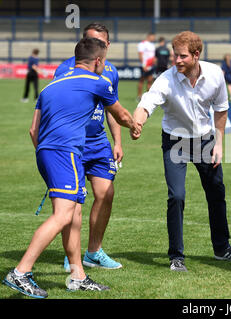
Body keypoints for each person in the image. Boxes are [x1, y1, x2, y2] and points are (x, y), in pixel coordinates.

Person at [2, 37, 141, 298]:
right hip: (66, 152)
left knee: (72, 213)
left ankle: (77, 275)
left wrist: (50, 158)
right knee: (64, 215)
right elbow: (121, 115)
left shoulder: (50, 86)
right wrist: (134, 125)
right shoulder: (98, 81)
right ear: (98, 61)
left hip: (46, 151)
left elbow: (33, 129)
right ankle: (20, 272)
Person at [133, 31, 231, 272]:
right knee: (177, 196)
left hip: (206, 141)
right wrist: (138, 122)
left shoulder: (215, 74)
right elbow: (147, 103)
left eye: (182, 56)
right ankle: (176, 257)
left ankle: (222, 248)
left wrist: (218, 145)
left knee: (217, 192)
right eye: (176, 55)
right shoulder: (166, 79)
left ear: (196, 55)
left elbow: (221, 110)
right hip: (175, 142)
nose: (177, 60)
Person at [54, 23, 124, 271]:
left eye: (101, 43)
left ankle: (93, 252)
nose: (96, 46)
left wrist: (117, 141)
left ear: (107, 46)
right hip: (73, 143)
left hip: (99, 143)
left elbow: (111, 109)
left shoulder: (111, 72)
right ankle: (71, 254)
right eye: (91, 40)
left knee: (106, 193)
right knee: (73, 202)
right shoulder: (65, 68)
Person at [137, 33, 156, 101]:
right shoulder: (142, 44)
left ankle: (148, 96)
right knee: (141, 80)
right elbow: (140, 55)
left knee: (150, 80)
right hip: (144, 65)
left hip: (151, 66)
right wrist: (143, 65)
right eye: (153, 37)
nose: (154, 38)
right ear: (149, 36)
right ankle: (139, 96)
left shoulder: (153, 45)